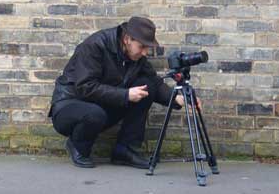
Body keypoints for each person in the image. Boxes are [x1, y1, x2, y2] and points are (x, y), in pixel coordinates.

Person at [49, 16, 197, 169]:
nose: (145, 53)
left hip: (99, 105)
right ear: (127, 39)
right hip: (68, 106)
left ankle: (125, 150)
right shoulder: (94, 46)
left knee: (146, 85)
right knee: (94, 114)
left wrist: (178, 99)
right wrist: (125, 95)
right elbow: (85, 86)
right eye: (142, 47)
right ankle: (77, 145)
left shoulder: (135, 56)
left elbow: (155, 82)